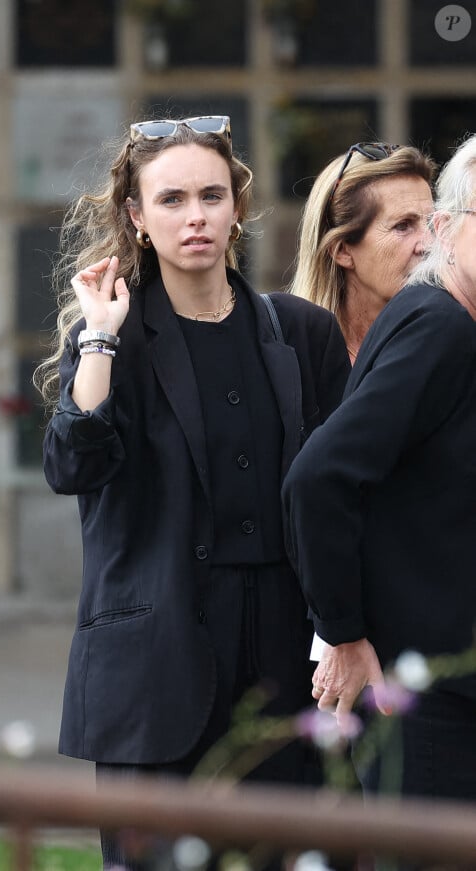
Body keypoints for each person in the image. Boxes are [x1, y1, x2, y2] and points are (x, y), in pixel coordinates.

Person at [35, 114, 350, 867]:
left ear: (237, 207)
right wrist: (100, 336)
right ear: (137, 218)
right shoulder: (112, 339)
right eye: (171, 199)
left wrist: (344, 627)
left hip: (281, 666)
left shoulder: (299, 333)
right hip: (157, 666)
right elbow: (71, 467)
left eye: (211, 195)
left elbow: (341, 494)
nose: (196, 216)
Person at [282, 133, 476, 802]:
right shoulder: (439, 324)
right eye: (404, 224)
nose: (418, 239)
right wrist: (343, 632)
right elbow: (317, 478)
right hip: (418, 701)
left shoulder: (436, 317)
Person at [289, 142, 435, 364]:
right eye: (403, 225)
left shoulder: (449, 347)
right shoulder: (290, 359)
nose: (430, 244)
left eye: (433, 224)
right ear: (343, 250)